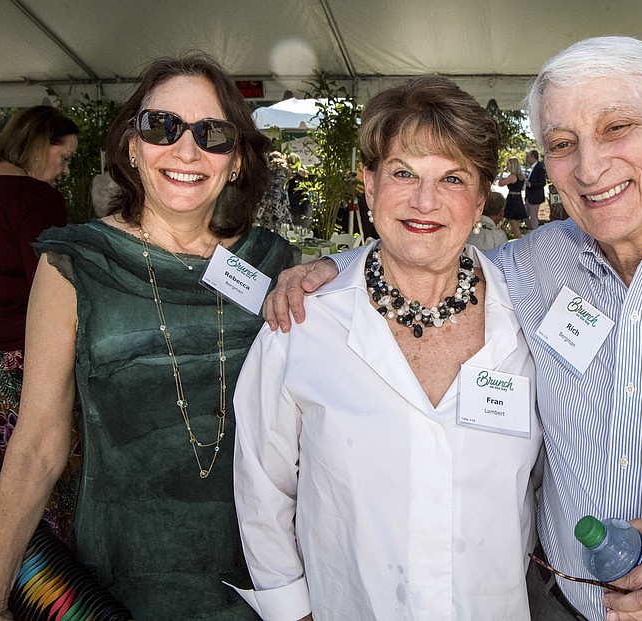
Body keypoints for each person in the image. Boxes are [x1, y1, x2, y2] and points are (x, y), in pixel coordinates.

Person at [263, 36, 642, 621]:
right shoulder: (534, 266)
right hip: (558, 606)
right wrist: (331, 270)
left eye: (617, 128)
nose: (590, 168)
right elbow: (427, 252)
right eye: (563, 143)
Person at [0, 53, 298, 620]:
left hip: (263, 577)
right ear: (132, 148)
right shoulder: (74, 262)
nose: (187, 151)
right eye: (163, 127)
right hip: (120, 581)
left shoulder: (273, 263)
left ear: (235, 161)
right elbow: (37, 446)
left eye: (212, 134)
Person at [232, 75, 542, 620]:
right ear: (369, 185)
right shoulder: (304, 321)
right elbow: (262, 484)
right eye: (404, 173)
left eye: (452, 178)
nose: (426, 201)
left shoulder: (528, 320)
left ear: (479, 201)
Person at [0, 106, 80, 542]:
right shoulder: (37, 198)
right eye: (64, 157)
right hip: (16, 366)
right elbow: (47, 291)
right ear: (37, 143)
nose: (65, 170)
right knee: (34, 502)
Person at [499, 156, 527, 237]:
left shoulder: (513, 176)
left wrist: (501, 173)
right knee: (515, 224)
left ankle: (519, 241)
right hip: (518, 199)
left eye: (508, 164)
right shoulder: (520, 176)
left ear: (513, 165)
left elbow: (500, 184)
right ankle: (515, 238)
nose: (507, 166)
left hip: (513, 200)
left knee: (513, 224)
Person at [524, 149, 546, 230]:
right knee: (524, 215)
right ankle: (532, 231)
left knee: (533, 218)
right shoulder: (532, 168)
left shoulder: (539, 168)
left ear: (533, 157)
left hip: (535, 197)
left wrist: (531, 184)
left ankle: (535, 234)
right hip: (529, 197)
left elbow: (542, 182)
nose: (527, 159)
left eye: (528, 157)